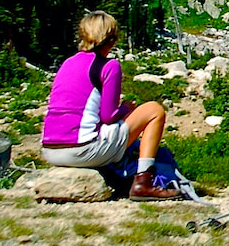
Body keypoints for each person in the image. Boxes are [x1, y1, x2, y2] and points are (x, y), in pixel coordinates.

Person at [41, 11, 182, 201]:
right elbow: (108, 115)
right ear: (111, 39)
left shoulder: (67, 63)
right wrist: (126, 108)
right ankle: (143, 182)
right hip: (82, 148)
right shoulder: (109, 66)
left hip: (50, 150)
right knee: (154, 110)